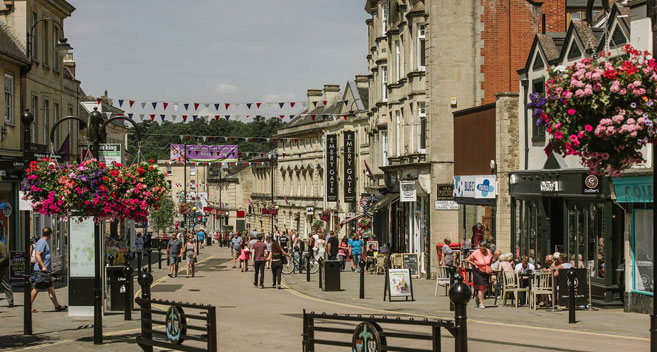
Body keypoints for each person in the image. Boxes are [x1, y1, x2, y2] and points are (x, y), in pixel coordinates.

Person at [31, 227, 66, 312]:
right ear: (50, 234)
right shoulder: (42, 242)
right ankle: (28, 306)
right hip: (41, 271)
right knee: (37, 288)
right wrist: (43, 266)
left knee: (50, 288)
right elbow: (37, 255)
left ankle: (57, 306)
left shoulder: (43, 242)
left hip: (46, 272)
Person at [465, 241, 492, 309]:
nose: (483, 248)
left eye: (484, 247)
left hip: (485, 271)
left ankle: (478, 297)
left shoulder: (488, 251)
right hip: (478, 272)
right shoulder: (476, 252)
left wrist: (489, 266)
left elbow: (490, 259)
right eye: (482, 247)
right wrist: (474, 264)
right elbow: (467, 259)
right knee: (481, 287)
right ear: (479, 247)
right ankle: (481, 303)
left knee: (486, 287)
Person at [0, 238, 14, 307]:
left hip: (2, 267)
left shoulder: (1, 245)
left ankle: (10, 301)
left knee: (5, 283)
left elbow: (5, 256)